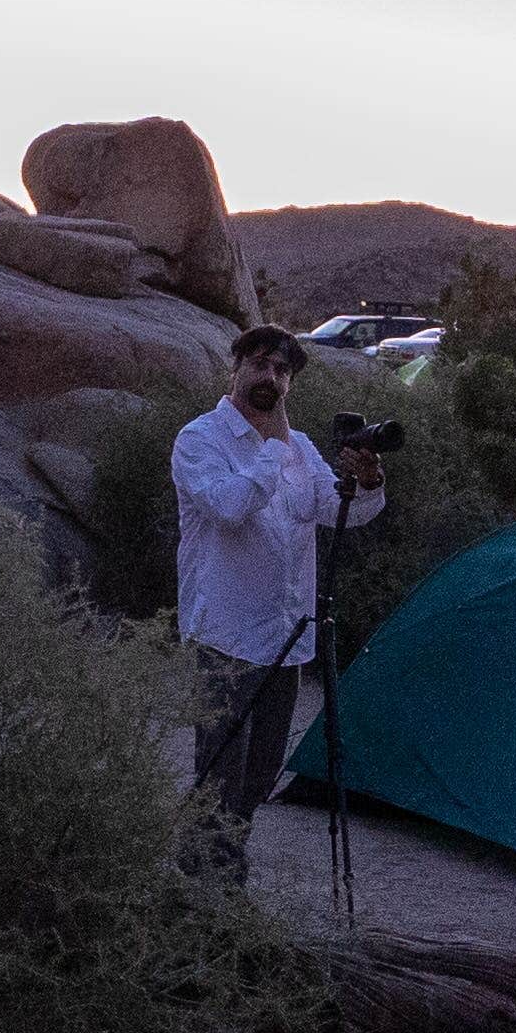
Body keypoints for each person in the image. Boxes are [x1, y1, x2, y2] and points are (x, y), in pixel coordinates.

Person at [171, 324, 383, 887]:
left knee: (260, 775)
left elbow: (339, 512)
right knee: (219, 770)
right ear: (235, 366)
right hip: (225, 634)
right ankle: (205, 885)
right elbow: (229, 508)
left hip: (285, 639)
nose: (271, 378)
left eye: (282, 370)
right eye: (261, 364)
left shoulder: (301, 446)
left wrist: (364, 483)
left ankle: (220, 870)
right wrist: (270, 446)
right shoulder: (200, 439)